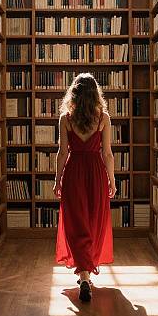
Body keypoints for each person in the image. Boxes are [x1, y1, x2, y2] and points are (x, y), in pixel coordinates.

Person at [54, 73, 115, 302]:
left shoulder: (65, 119)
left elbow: (62, 153)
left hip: (74, 173)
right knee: (93, 221)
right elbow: (107, 154)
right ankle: (86, 276)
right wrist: (112, 179)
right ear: (95, 94)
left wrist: (57, 179)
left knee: (75, 222)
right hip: (96, 173)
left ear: (74, 94)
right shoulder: (103, 118)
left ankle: (84, 274)